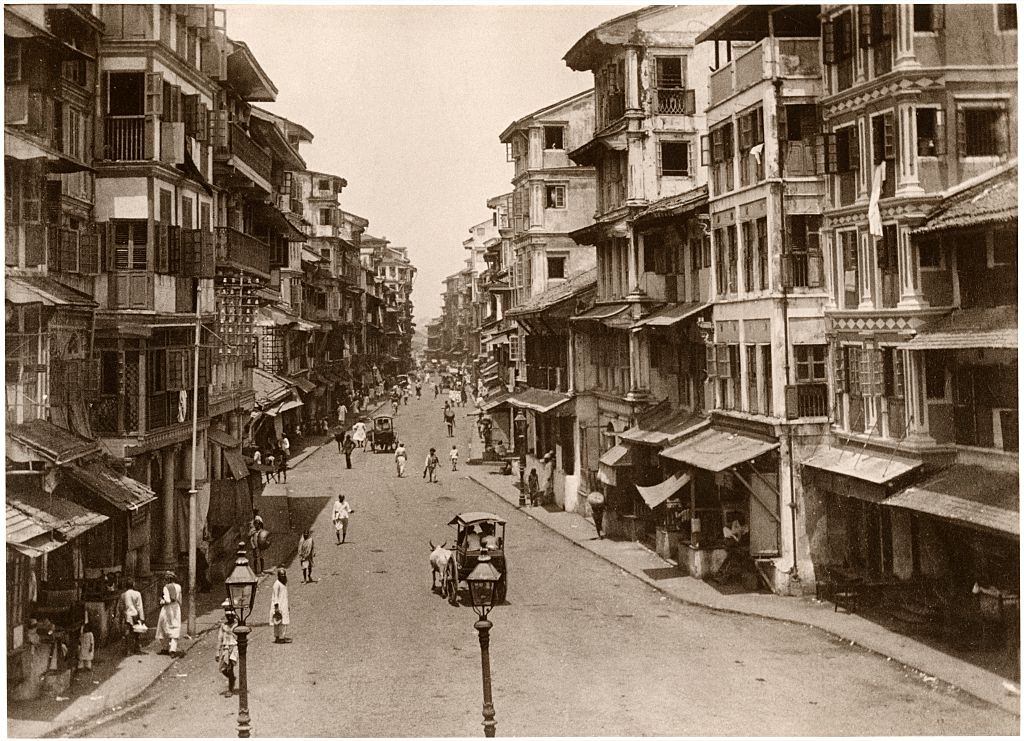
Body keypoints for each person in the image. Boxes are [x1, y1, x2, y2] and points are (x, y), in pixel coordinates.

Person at [156, 572, 182, 657]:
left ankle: (165, 647)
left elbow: (167, 600)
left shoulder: (166, 587)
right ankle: (173, 649)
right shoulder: (178, 587)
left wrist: (161, 601)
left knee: (163, 627)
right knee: (175, 627)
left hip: (167, 609)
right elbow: (180, 599)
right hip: (176, 608)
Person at [216, 601, 239, 696]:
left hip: (233, 647)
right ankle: (232, 678)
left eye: (231, 616)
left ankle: (230, 689)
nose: (229, 618)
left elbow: (239, 638)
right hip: (225, 648)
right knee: (222, 669)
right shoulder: (223, 626)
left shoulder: (236, 625)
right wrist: (217, 652)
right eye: (227, 616)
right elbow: (219, 639)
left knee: (230, 668)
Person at [121, 578, 146, 655]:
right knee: (137, 632)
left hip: (127, 615)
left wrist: (122, 615)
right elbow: (140, 607)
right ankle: (136, 648)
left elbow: (121, 607)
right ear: (133, 585)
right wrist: (142, 618)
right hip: (135, 615)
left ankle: (128, 650)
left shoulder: (123, 595)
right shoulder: (137, 594)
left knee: (127, 633)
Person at [270, 569, 291, 644]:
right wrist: (276, 608)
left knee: (282, 622)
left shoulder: (283, 584)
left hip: (283, 605)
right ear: (278, 576)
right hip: (278, 606)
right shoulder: (277, 584)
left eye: (284, 574)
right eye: (281, 575)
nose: (283, 576)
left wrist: (287, 606)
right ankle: (280, 637)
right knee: (279, 622)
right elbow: (275, 597)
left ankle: (280, 636)